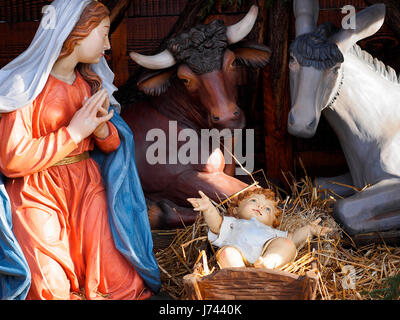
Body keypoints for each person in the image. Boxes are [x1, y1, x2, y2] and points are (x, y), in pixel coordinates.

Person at [0, 0, 160, 300]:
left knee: (122, 286)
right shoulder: (24, 88)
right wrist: (73, 132)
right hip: (38, 193)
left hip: (87, 188)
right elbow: (11, 160)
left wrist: (101, 131)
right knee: (50, 290)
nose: (108, 45)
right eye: (103, 33)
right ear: (77, 32)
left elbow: (112, 146)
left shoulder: (88, 84)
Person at [187, 188, 331, 269]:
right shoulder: (232, 223)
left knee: (286, 244)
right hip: (238, 256)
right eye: (254, 201)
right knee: (226, 252)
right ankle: (241, 276)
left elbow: (293, 238)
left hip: (264, 254)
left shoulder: (271, 232)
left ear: (273, 221)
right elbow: (216, 224)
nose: (260, 207)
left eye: (267, 209)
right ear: (236, 210)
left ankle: (268, 264)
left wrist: (310, 230)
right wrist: (208, 209)